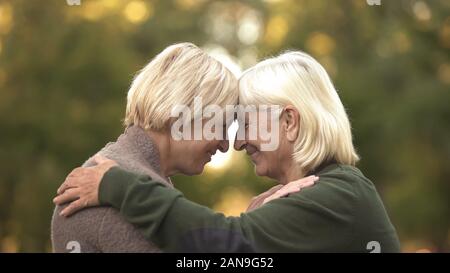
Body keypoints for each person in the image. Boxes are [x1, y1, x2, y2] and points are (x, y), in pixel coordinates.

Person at [54, 51, 400, 252]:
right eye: (223, 124)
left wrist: (120, 186)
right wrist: (261, 221)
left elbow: (226, 245)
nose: (233, 142)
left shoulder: (340, 193)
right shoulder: (332, 191)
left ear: (290, 122)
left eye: (245, 123)